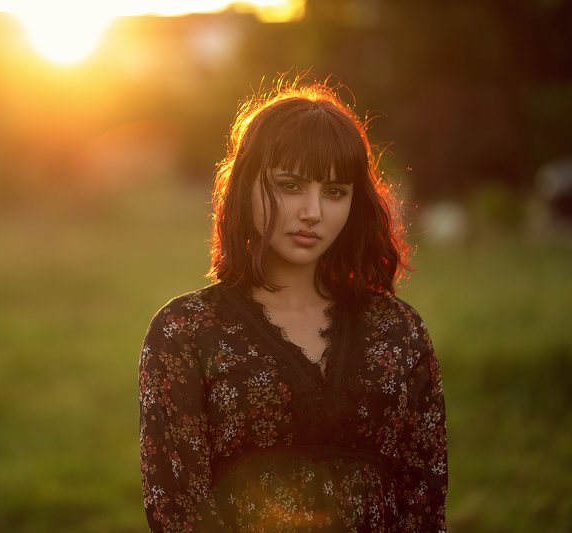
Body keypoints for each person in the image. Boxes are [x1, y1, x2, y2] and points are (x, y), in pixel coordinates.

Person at [138, 82, 447, 532]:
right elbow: (177, 509)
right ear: (247, 186)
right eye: (290, 185)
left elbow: (425, 498)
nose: (313, 211)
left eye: (335, 192)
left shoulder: (397, 329)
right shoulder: (185, 332)